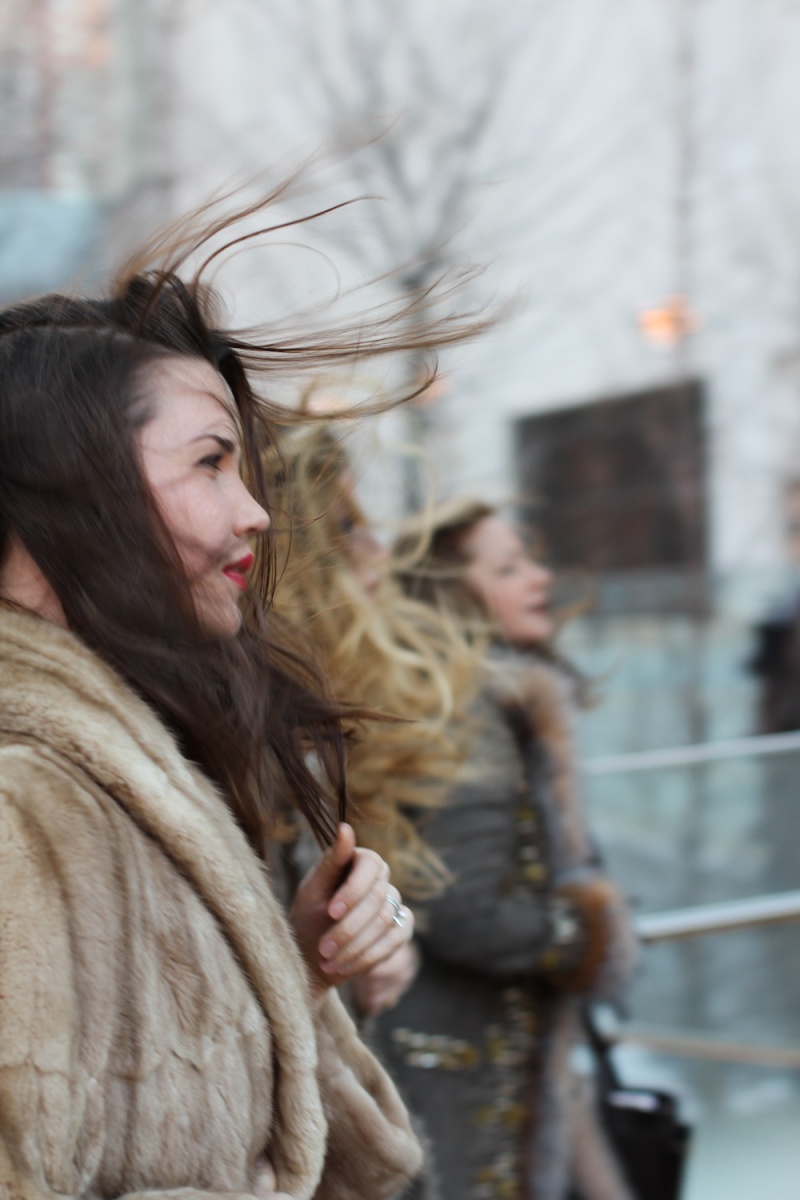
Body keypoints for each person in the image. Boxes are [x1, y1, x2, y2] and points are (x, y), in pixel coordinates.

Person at [0, 203, 480, 1200]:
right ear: (73, 487)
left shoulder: (116, 772)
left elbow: (160, 1117)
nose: (255, 510)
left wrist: (288, 967)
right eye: (211, 462)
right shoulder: (22, 803)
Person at [375, 498, 637, 1200]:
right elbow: (463, 908)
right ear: (451, 591)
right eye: (509, 567)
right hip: (463, 1070)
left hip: (477, 1063)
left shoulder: (474, 697)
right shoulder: (464, 708)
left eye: (531, 561)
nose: (540, 579)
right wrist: (591, 933)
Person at [265, 423, 480, 1018]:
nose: (377, 549)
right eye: (346, 528)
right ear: (290, 557)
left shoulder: (340, 705)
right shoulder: (260, 731)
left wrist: (381, 930)